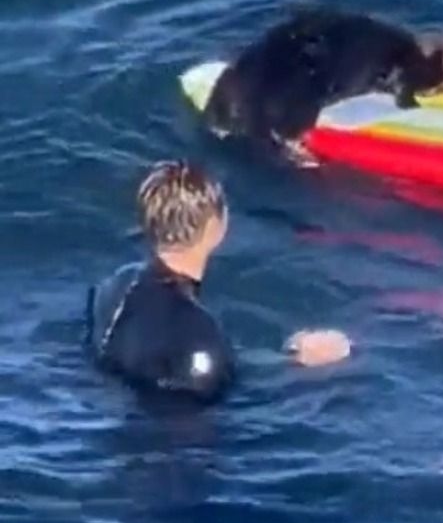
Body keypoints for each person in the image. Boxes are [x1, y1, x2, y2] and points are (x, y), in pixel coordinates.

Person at [85, 159, 350, 404]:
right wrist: (296, 361)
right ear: (216, 226)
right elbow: (217, 382)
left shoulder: (113, 286)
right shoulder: (200, 333)